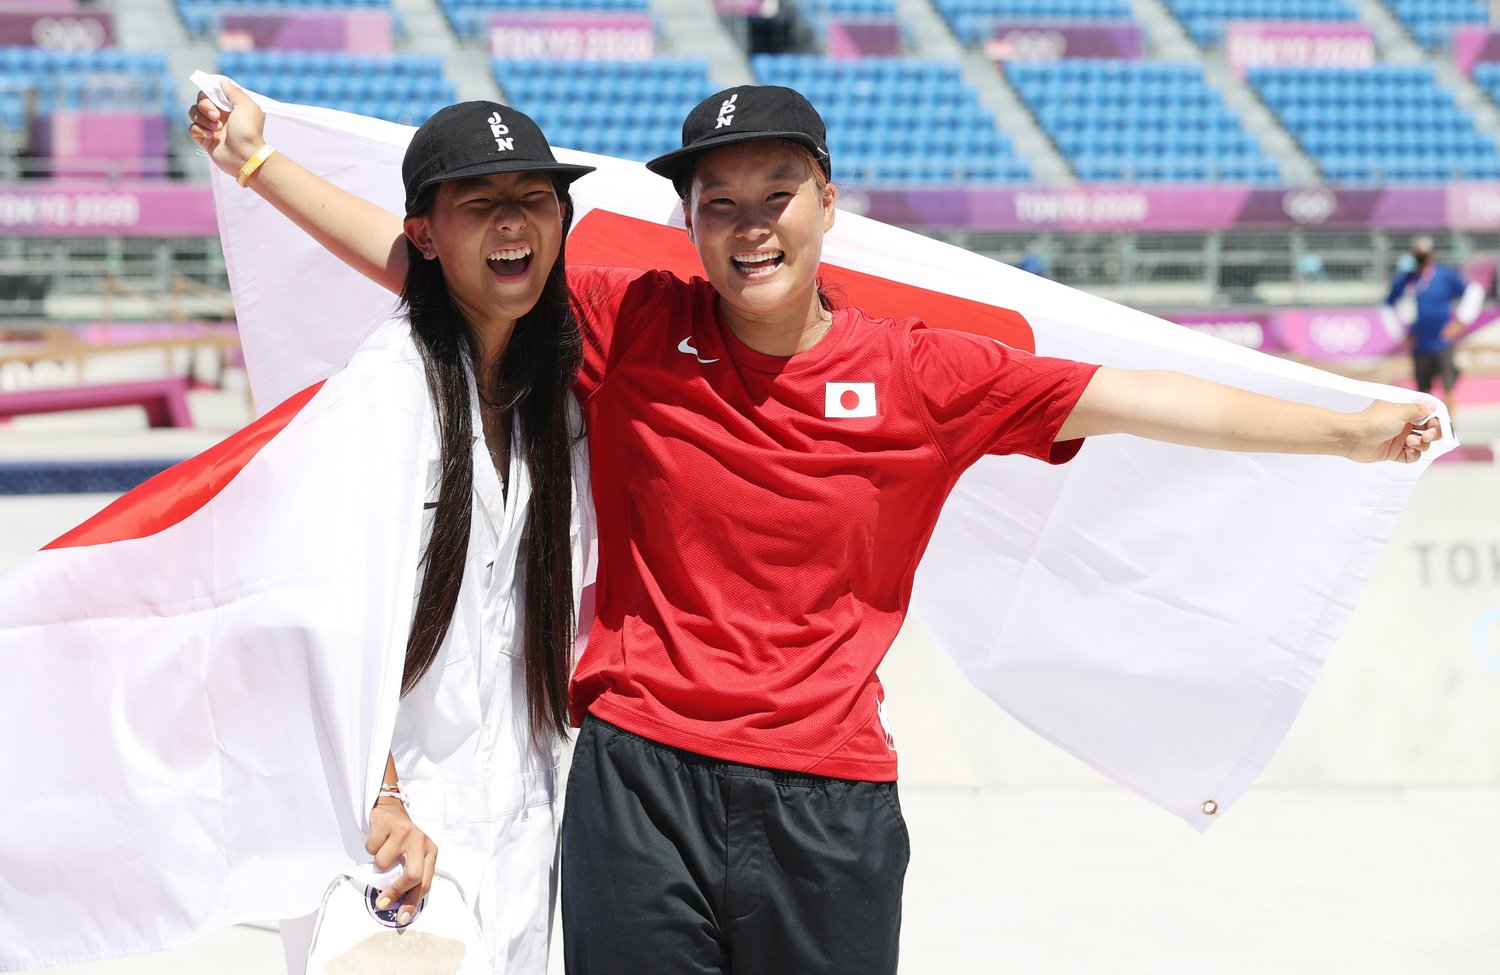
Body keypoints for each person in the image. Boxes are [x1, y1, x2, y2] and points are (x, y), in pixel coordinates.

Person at [189, 82, 1439, 975]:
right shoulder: (636, 325)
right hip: (637, 785)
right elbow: (445, 270)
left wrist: (1339, 428)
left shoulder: (925, 373)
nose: (749, 226)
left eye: (775, 195)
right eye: (718, 203)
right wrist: (257, 165)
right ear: (687, 222)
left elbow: (1130, 396)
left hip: (828, 803)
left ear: (825, 202)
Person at [191, 93, 594, 973]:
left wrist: (261, 165)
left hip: (525, 813)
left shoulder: (557, 396)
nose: (512, 225)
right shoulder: (382, 396)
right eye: (480, 205)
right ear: (426, 233)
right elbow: (306, 618)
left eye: (533, 199)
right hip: (396, 828)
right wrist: (378, 792)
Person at [1385, 235, 1467, 419]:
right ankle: (1426, 423)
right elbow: (1387, 305)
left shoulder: (1444, 276)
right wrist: (1400, 334)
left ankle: (1449, 426)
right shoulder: (1406, 280)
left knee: (1448, 385)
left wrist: (1461, 321)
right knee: (1423, 390)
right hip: (1420, 344)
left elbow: (1473, 291)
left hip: (1443, 342)